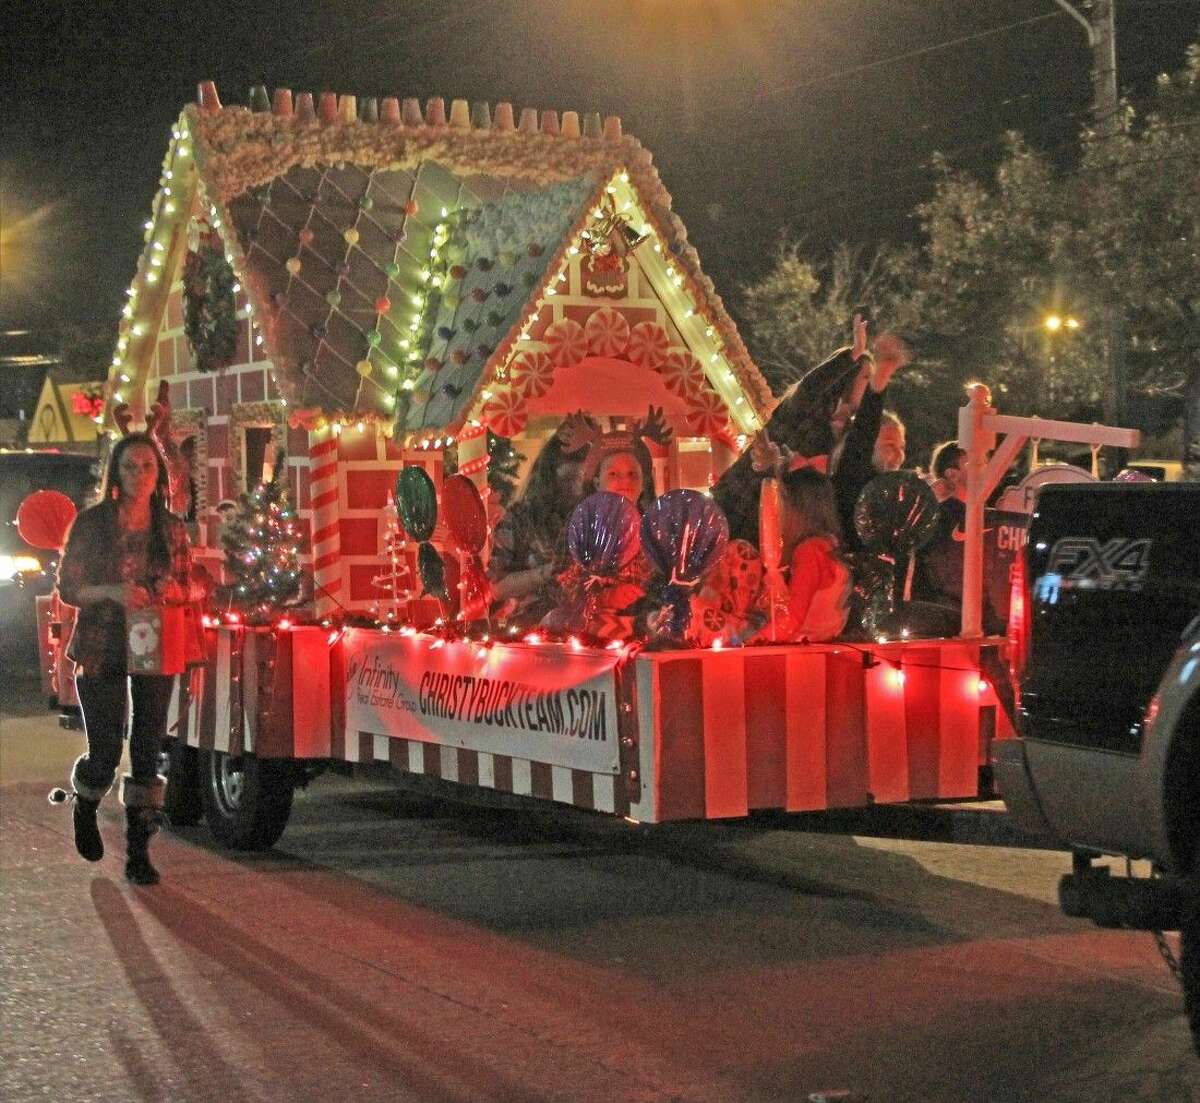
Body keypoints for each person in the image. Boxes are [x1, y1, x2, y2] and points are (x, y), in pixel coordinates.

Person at [54, 432, 195, 885]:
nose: (139, 475)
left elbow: (189, 585)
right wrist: (112, 592)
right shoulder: (93, 524)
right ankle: (87, 801)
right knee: (107, 749)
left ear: (159, 475)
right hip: (102, 643)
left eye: (147, 467)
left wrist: (169, 592)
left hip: (153, 641)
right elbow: (69, 587)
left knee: (148, 747)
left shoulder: (171, 529)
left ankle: (138, 850)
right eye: (130, 466)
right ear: (116, 472)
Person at [488, 422, 592, 626]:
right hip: (532, 629)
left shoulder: (600, 515)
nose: (576, 483)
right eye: (569, 475)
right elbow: (497, 586)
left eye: (583, 474)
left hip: (596, 629)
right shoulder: (522, 515)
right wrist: (547, 572)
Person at [774, 467, 851, 642]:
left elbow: (792, 618)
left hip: (803, 654)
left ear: (798, 508)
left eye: (782, 504)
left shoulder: (810, 551)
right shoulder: (828, 546)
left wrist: (749, 643)